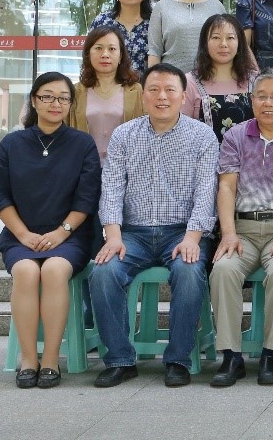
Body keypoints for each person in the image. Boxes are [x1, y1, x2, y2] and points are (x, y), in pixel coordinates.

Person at [90, 63, 219, 389]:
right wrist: (113, 236)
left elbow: (206, 192)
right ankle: (120, 360)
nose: (162, 97)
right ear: (143, 95)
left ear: (183, 95)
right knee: (103, 272)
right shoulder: (124, 135)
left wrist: (193, 237)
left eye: (170, 90)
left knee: (189, 271)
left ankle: (178, 360)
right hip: (132, 234)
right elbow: (112, 188)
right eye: (154, 90)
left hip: (182, 232)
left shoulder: (202, 136)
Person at [0, 73, 100, 389]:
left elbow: (87, 198)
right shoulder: (11, 144)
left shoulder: (83, 144)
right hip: (20, 235)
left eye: (63, 98)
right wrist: (24, 235)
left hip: (70, 235)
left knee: (53, 270)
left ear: (71, 104)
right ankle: (29, 360)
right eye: (48, 96)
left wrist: (61, 232)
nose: (56, 103)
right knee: (26, 272)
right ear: (34, 100)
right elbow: (0, 197)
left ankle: (51, 360)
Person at [208, 69, 273, 387]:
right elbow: (227, 187)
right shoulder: (236, 136)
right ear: (251, 100)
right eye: (261, 96)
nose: (268, 103)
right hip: (242, 228)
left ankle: (271, 354)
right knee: (223, 269)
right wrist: (228, 233)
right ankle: (231, 356)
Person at [70, 25, 145, 160]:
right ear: (88, 54)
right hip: (84, 167)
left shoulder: (136, 90)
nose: (105, 54)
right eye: (98, 48)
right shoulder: (75, 92)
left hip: (124, 166)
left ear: (121, 56)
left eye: (112, 49)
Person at [181, 13, 258, 142]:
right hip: (205, 154)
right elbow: (182, 131)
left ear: (239, 43)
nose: (223, 44)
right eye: (216, 37)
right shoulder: (190, 82)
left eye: (230, 38)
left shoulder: (255, 81)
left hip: (250, 154)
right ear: (205, 43)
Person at [90, 0, 152, 77]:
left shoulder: (155, 22)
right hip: (108, 85)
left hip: (146, 86)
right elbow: (90, 55)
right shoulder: (102, 21)